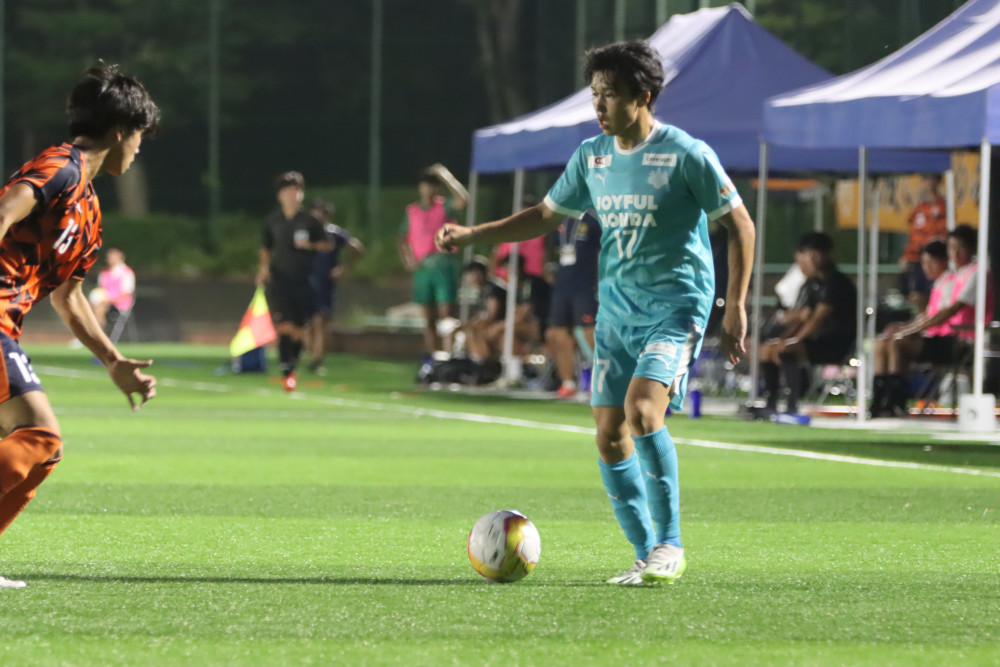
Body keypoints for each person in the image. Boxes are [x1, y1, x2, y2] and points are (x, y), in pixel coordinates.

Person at [437, 40, 755, 586]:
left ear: (643, 96)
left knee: (643, 411)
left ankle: (670, 544)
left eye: (610, 94)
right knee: (609, 434)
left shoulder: (685, 154)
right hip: (616, 312)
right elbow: (543, 215)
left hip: (676, 307)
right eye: (595, 94)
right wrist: (472, 235)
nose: (599, 105)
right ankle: (644, 552)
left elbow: (740, 224)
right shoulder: (592, 157)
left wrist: (737, 305)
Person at [0, 65, 160, 589]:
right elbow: (5, 210)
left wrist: (113, 361)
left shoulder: (88, 210)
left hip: (6, 327)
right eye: (139, 137)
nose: (138, 148)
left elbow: (68, 297)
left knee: (43, 451)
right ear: (120, 131)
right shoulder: (60, 167)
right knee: (39, 436)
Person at [873, 226, 993, 416]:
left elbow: (948, 311)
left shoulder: (974, 274)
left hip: (960, 339)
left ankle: (896, 401)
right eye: (951, 248)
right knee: (882, 343)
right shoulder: (953, 277)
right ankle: (879, 400)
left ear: (972, 249)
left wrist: (909, 330)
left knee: (898, 344)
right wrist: (906, 327)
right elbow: (932, 314)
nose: (955, 253)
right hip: (945, 336)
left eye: (960, 247)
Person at [758, 232, 857, 416]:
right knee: (766, 350)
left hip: (835, 342)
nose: (811, 259)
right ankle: (770, 403)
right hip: (813, 340)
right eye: (808, 254)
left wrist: (794, 341)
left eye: (815, 253)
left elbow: (817, 319)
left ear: (827, 254)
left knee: (787, 350)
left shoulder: (837, 282)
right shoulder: (811, 283)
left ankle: (792, 405)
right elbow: (804, 318)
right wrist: (783, 339)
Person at [256, 171, 332, 392]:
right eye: (287, 191)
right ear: (280, 195)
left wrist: (310, 246)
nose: (292, 195)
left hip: (304, 280)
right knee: (284, 325)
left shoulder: (310, 221)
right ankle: (286, 371)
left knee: (298, 330)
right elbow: (266, 248)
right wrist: (263, 270)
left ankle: (292, 367)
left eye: (296, 190)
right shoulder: (272, 221)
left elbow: (327, 244)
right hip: (280, 280)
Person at [398, 164, 469, 359]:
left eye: (432, 185)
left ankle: (450, 356)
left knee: (447, 315)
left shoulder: (444, 206)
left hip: (443, 264)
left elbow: (463, 199)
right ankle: (433, 358)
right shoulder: (412, 211)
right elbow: (403, 239)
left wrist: (446, 177)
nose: (428, 189)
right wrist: (408, 260)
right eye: (425, 185)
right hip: (423, 268)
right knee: (428, 319)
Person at [305, 199, 365, 376]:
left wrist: (343, 267)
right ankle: (310, 355)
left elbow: (357, 248)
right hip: (306, 281)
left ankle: (317, 359)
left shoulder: (334, 233)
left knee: (320, 321)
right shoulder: (306, 234)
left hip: (324, 282)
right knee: (307, 322)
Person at [546, 210, 601, 399]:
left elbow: (602, 252)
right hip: (562, 286)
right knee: (557, 334)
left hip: (585, 286)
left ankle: (600, 381)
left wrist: (601, 283)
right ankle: (568, 383)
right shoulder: (559, 222)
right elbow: (553, 251)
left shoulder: (593, 220)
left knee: (589, 334)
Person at [899, 175, 947, 310]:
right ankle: (922, 320)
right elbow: (913, 233)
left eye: (931, 178)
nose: (928, 182)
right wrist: (906, 256)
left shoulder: (943, 206)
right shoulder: (920, 208)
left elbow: (943, 233)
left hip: (933, 257)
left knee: (934, 292)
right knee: (917, 294)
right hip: (917, 258)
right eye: (926, 179)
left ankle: (932, 319)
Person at [88, 247, 136, 330]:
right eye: (109, 256)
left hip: (120, 305)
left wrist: (109, 301)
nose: (111, 258)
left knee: (99, 307)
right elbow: (101, 290)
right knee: (86, 307)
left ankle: (97, 332)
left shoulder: (127, 273)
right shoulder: (104, 273)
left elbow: (126, 294)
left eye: (113, 256)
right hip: (105, 302)